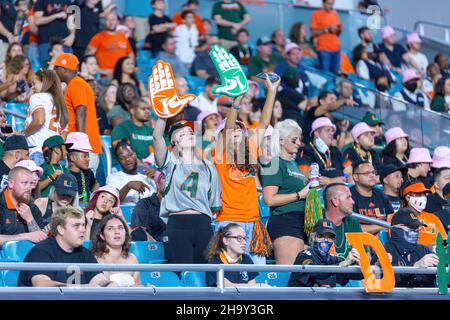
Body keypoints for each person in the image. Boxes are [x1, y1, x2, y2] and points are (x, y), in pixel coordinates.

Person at [214, 78, 279, 264]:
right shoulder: (219, 154)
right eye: (232, 129)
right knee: (230, 274)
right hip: (229, 220)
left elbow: (264, 122)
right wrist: (236, 103)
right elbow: (227, 130)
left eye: (240, 129)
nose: (237, 131)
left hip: (253, 221)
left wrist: (272, 91)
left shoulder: (250, 149)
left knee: (256, 275)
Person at [153, 117, 222, 264]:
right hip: (178, 223)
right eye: (182, 134)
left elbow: (213, 203)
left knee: (204, 273)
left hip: (203, 223)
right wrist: (163, 116)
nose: (189, 134)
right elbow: (157, 137)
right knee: (182, 270)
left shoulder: (209, 166)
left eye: (191, 132)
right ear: (174, 142)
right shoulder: (171, 162)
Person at [18, 206, 118, 287]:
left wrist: (110, 285)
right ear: (61, 229)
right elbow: (42, 284)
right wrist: (82, 288)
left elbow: (99, 280)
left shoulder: (85, 253)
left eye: (83, 225)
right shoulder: (41, 251)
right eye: (76, 226)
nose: (83, 230)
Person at [262, 119, 310, 265]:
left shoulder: (293, 164)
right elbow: (269, 200)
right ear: (281, 140)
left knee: (304, 275)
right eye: (294, 139)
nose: (298, 143)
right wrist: (299, 195)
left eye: (299, 140)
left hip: (301, 221)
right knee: (290, 272)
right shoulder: (274, 163)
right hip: (285, 220)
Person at [52, 53, 102, 173]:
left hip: (82, 150)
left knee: (81, 189)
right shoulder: (75, 84)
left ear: (64, 70)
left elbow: (81, 111)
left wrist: (80, 144)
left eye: (56, 68)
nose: (54, 71)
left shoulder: (76, 84)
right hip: (83, 149)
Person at [375, 207, 438, 287]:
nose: (415, 232)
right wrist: (416, 267)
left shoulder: (423, 249)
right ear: (396, 229)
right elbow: (387, 284)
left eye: (416, 229)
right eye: (411, 229)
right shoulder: (383, 251)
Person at [288, 219, 360, 287]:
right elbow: (316, 273)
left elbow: (356, 275)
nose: (325, 240)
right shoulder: (304, 255)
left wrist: (358, 262)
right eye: (321, 236)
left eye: (330, 237)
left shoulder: (332, 260)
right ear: (313, 237)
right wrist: (342, 264)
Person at [22, 69, 68, 165]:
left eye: (34, 84)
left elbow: (39, 120)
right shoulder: (59, 101)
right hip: (57, 155)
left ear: (45, 82)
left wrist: (23, 133)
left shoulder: (37, 97)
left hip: (40, 151)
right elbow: (64, 133)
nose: (33, 88)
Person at [205, 223, 266, 288]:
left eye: (245, 238)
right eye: (239, 238)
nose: (244, 242)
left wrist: (258, 287)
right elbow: (226, 286)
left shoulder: (246, 258)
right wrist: (259, 286)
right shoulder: (215, 261)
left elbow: (252, 287)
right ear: (226, 240)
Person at [0, 167, 47, 246]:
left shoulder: (32, 208)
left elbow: (42, 241)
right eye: (25, 183)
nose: (29, 188)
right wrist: (25, 236)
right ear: (11, 183)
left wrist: (30, 219)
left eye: (31, 183)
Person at [91, 214, 142, 287]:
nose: (117, 232)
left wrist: (148, 289)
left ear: (125, 233)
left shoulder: (132, 259)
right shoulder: (95, 261)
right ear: (102, 235)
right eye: (110, 228)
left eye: (120, 228)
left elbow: (137, 285)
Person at [395, 180, 447, 249]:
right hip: (415, 256)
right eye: (419, 194)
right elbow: (401, 243)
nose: (423, 198)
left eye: (424, 195)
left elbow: (445, 240)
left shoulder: (433, 218)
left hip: (438, 254)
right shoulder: (397, 218)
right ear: (408, 197)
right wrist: (429, 247)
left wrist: (442, 247)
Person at [297, 117, 345, 185]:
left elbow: (346, 175)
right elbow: (304, 176)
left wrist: (330, 180)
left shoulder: (335, 151)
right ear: (316, 133)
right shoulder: (306, 151)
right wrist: (333, 180)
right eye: (327, 130)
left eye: (332, 131)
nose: (331, 133)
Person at [350, 161, 394, 234]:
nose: (372, 175)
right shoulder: (349, 196)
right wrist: (382, 226)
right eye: (367, 173)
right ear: (355, 177)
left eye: (373, 172)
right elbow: (353, 228)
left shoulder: (381, 194)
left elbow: (391, 219)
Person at [86, 12, 134, 78]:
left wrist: (130, 68)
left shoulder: (122, 36)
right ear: (104, 22)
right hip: (108, 77)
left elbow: (130, 54)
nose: (111, 22)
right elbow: (87, 57)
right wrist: (100, 71)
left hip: (123, 75)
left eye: (113, 19)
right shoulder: (98, 37)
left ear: (117, 22)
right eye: (108, 20)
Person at [322, 183, 364, 259]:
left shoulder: (352, 222)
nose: (353, 202)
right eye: (348, 198)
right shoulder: (317, 218)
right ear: (335, 201)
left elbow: (365, 254)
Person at [33, 0, 75, 64]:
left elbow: (72, 21)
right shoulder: (41, 1)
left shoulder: (68, 1)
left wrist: (72, 35)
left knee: (68, 69)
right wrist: (56, 15)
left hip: (64, 42)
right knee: (47, 70)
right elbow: (37, 21)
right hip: (47, 43)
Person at [130, 170, 167, 242]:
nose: (168, 181)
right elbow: (139, 233)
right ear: (157, 183)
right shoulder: (144, 204)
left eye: (172, 178)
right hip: (154, 249)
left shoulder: (181, 206)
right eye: (164, 178)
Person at [310, 0, 342, 74]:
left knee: (336, 74)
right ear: (323, 3)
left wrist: (339, 29)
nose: (331, 6)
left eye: (332, 4)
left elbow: (337, 34)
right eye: (329, 4)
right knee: (325, 75)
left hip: (336, 48)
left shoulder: (334, 14)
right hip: (324, 49)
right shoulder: (316, 14)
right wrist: (327, 29)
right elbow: (313, 32)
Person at [67, 132, 99, 203]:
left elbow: (95, 184)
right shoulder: (64, 174)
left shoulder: (88, 172)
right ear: (72, 157)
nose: (88, 159)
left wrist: (94, 195)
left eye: (88, 156)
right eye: (84, 156)